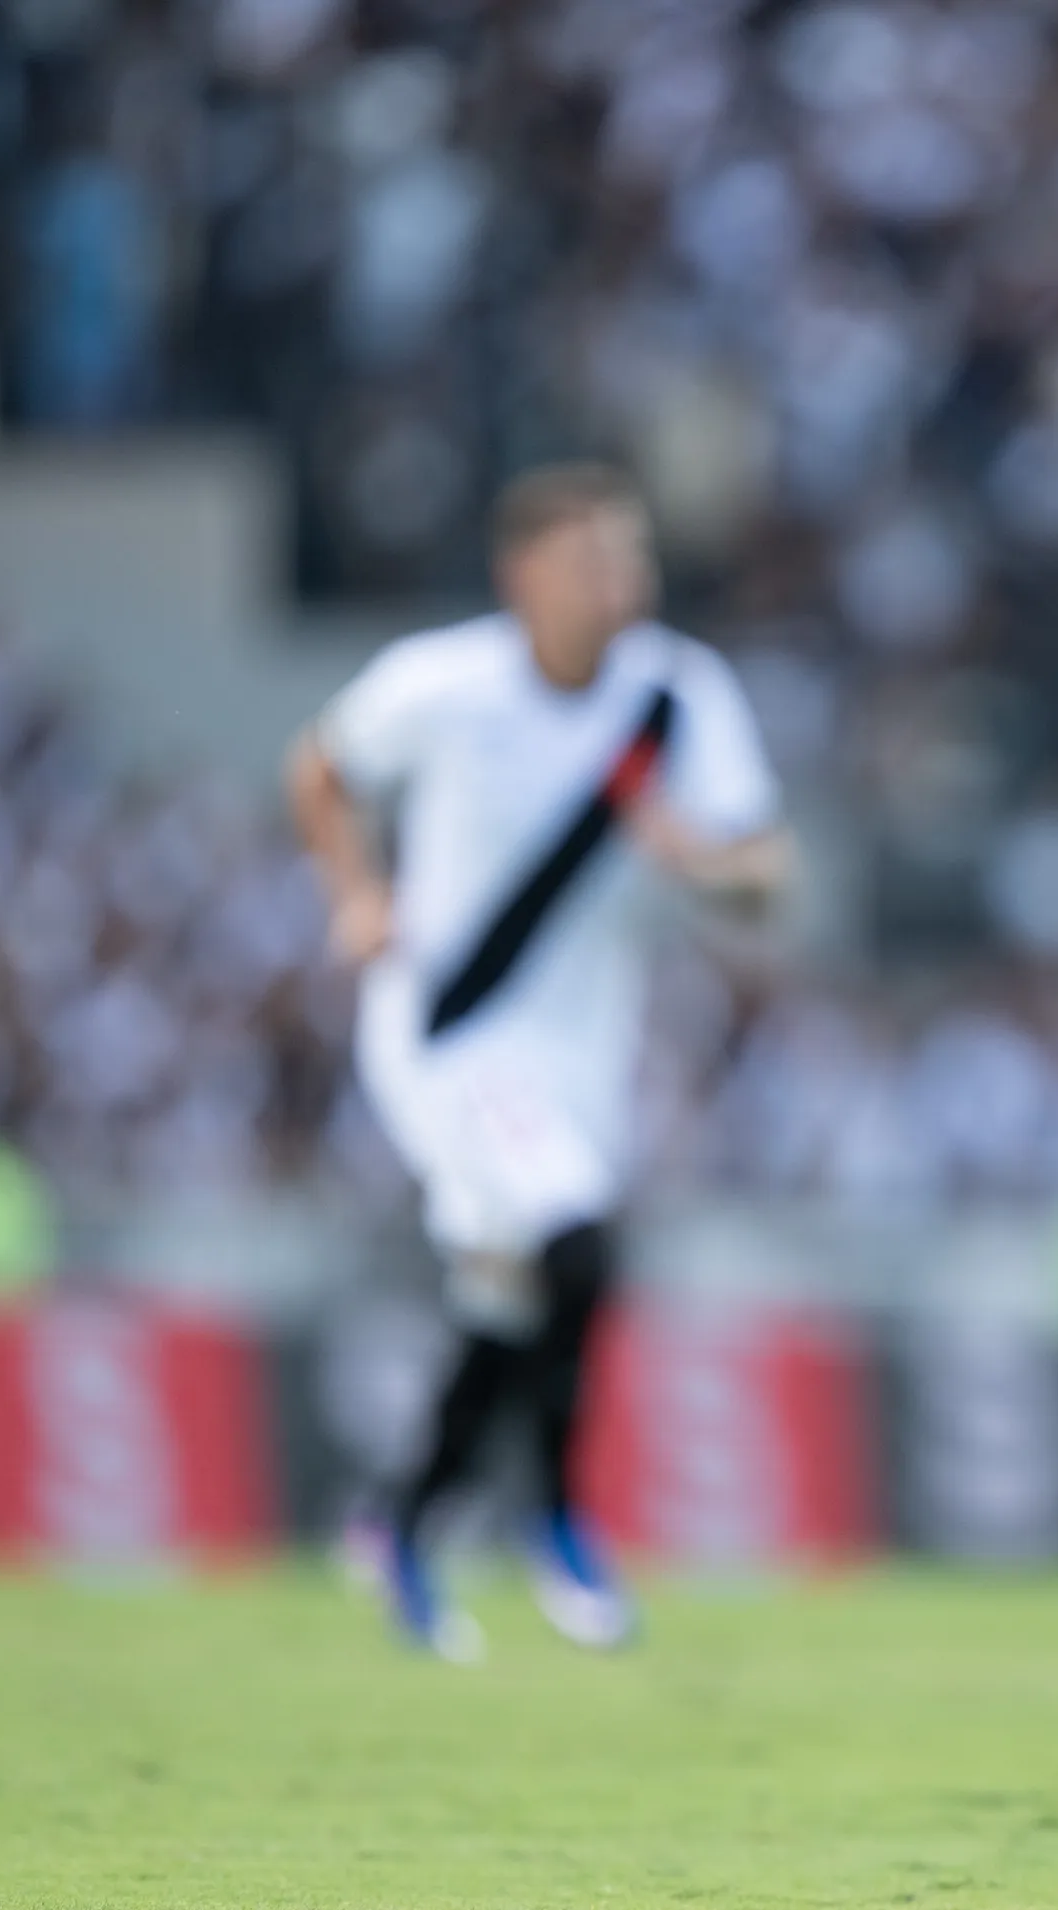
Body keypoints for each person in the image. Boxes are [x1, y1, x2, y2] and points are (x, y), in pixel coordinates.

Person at [285, 464, 791, 1661]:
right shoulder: (446, 684)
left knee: (509, 1299)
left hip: (584, 1051)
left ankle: (403, 1523)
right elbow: (320, 767)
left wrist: (701, 863)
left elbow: (769, 870)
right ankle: (560, 1519)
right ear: (526, 576)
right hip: (451, 1027)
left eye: (633, 557)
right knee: (575, 1234)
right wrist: (357, 894)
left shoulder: (677, 694)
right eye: (594, 559)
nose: (623, 582)